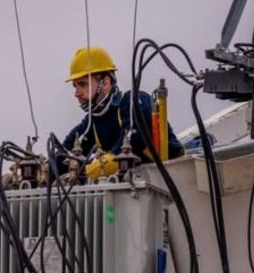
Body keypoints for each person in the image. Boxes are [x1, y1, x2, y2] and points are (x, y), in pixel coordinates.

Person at [61, 46, 182, 178]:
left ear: (105, 83)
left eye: (83, 85)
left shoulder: (134, 103)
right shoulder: (92, 122)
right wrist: (46, 170)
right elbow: (64, 154)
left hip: (177, 178)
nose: (77, 93)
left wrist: (90, 170)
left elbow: (131, 142)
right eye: (75, 86)